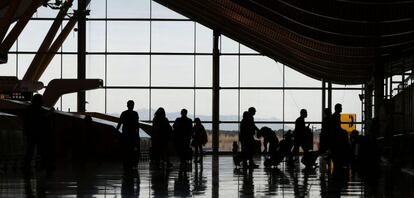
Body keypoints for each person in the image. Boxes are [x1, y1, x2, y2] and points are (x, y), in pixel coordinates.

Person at [22, 94, 51, 173]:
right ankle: (45, 165)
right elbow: (43, 118)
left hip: (31, 133)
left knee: (29, 151)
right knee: (42, 150)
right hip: (40, 133)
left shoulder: (29, 109)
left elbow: (26, 121)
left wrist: (25, 131)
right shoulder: (40, 109)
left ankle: (26, 165)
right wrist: (50, 112)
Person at [116, 100, 140, 170]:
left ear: (127, 105)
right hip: (132, 134)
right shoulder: (135, 114)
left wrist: (116, 131)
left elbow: (120, 123)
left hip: (126, 135)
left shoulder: (124, 113)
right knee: (133, 150)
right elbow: (137, 125)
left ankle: (126, 163)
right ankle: (133, 163)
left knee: (126, 150)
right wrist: (137, 134)